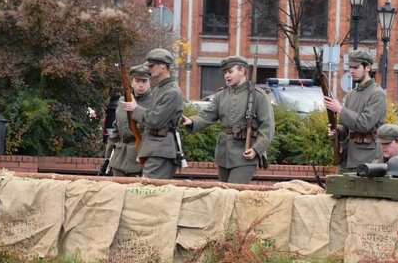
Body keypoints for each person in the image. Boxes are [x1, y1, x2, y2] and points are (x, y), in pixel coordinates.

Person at [180, 55, 274, 184]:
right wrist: (192, 121)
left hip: (245, 152)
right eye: (225, 72)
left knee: (233, 193)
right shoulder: (221, 94)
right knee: (224, 194)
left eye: (230, 72)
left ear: (242, 71)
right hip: (224, 153)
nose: (226, 76)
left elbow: (267, 127)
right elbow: (208, 115)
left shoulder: (259, 96)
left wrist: (256, 149)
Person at [123, 48, 183, 180]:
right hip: (154, 148)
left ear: (163, 65)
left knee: (152, 194)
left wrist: (135, 108)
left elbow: (155, 120)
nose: (149, 69)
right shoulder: (160, 88)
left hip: (161, 150)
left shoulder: (172, 91)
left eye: (152, 65)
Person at [323, 49, 387, 172]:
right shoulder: (351, 95)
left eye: (356, 67)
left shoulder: (377, 94)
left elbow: (365, 124)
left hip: (367, 158)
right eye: (350, 67)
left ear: (368, 67)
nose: (351, 71)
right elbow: (346, 129)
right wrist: (337, 129)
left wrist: (340, 109)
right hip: (347, 156)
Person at [104, 64, 153, 177]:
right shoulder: (122, 101)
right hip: (119, 158)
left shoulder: (155, 102)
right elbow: (116, 130)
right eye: (137, 81)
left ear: (150, 83)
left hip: (140, 158)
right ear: (132, 83)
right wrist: (108, 155)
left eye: (144, 81)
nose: (141, 85)